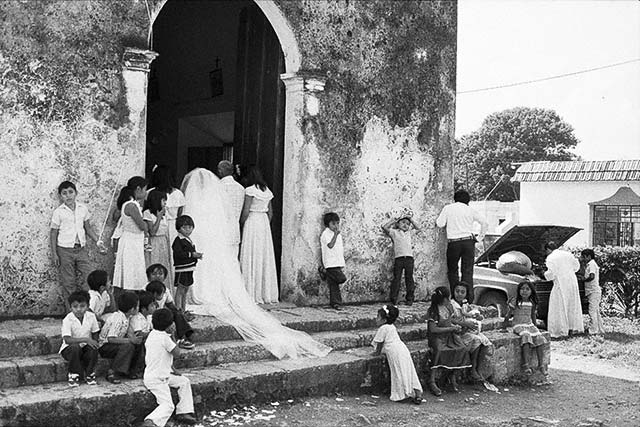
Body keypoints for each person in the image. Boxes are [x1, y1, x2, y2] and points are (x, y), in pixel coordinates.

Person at [180, 167, 331, 359]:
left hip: (242, 227)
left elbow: (242, 214)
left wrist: (245, 222)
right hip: (259, 226)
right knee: (258, 260)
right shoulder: (257, 190)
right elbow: (269, 213)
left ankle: (215, 290)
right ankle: (262, 292)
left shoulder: (208, 200)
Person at [50, 181, 106, 309]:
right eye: (64, 193)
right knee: (68, 282)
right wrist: (54, 254)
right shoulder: (59, 212)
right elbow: (53, 233)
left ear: (76, 193)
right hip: (64, 250)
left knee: (89, 277)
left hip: (80, 249)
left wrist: (98, 241)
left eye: (71, 192)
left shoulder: (82, 209)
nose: (68, 196)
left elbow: (88, 228)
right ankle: (71, 313)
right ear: (60, 196)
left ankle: (88, 309)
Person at [142, 308, 197, 427]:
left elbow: (163, 356)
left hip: (159, 373)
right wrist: (173, 335)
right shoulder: (165, 338)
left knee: (184, 381)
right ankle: (151, 421)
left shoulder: (152, 334)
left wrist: (173, 369)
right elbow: (177, 353)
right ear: (169, 325)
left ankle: (184, 411)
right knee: (168, 405)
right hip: (158, 379)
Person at [239, 166, 279, 304]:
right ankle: (265, 292)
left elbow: (245, 210)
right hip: (263, 222)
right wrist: (265, 225)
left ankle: (251, 291)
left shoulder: (249, 190)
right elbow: (271, 213)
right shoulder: (267, 190)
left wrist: (242, 223)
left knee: (251, 253)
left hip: (253, 220)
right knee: (263, 255)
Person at [436, 189, 487, 295]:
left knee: (453, 270)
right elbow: (484, 223)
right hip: (468, 241)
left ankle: (455, 296)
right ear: (467, 200)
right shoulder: (470, 210)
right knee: (467, 271)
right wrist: (479, 238)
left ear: (455, 198)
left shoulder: (448, 208)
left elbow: (440, 224)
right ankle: (468, 298)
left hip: (454, 242)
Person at [372, 304, 423, 404]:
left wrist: (376, 353)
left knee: (399, 372)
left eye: (378, 317)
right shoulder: (391, 327)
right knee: (409, 370)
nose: (376, 319)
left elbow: (380, 342)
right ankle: (417, 392)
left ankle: (402, 393)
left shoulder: (383, 328)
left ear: (384, 320)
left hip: (394, 352)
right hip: (402, 349)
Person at [426, 286, 472, 396]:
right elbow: (433, 329)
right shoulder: (433, 311)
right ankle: (432, 380)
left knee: (462, 348)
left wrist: (457, 327)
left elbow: (450, 320)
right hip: (437, 337)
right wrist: (451, 328)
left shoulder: (448, 307)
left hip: (449, 336)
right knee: (439, 351)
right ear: (443, 298)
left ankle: (452, 375)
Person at [501, 281, 549, 382]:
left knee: (539, 338)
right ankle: (526, 364)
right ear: (519, 291)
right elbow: (509, 314)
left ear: (531, 291)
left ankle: (541, 364)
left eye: (527, 289)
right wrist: (504, 326)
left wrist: (535, 327)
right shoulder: (515, 301)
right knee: (526, 336)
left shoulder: (532, 303)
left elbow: (532, 316)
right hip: (518, 325)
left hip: (529, 324)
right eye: (522, 289)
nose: (524, 291)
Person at [450, 281, 493, 382]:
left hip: (465, 330)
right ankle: (472, 369)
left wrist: (477, 316)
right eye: (457, 291)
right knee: (476, 339)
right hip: (456, 332)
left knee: (484, 341)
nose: (459, 294)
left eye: (462, 292)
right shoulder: (451, 305)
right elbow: (449, 319)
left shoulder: (465, 304)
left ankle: (478, 369)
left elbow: (469, 314)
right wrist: (465, 324)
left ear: (466, 293)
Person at [98, 291, 144, 384]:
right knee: (128, 345)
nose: (138, 308)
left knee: (138, 344)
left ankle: (132, 371)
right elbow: (111, 339)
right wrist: (130, 340)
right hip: (105, 346)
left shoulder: (127, 318)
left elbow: (129, 333)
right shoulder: (118, 318)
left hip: (115, 344)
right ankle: (112, 372)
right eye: (137, 306)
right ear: (132, 309)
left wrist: (135, 339)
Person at [113, 177, 148, 291]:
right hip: (131, 242)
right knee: (130, 274)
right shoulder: (131, 205)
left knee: (135, 272)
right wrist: (145, 225)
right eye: (144, 189)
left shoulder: (133, 204)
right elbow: (142, 225)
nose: (145, 192)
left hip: (134, 241)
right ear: (138, 189)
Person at [59, 291, 100, 387]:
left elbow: (95, 332)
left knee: (93, 348)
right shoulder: (68, 319)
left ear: (88, 306)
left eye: (82, 306)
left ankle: (90, 373)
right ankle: (73, 374)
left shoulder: (91, 316)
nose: (78, 309)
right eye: (75, 306)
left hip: (85, 347)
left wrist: (95, 343)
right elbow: (67, 340)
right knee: (75, 348)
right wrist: (86, 339)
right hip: (69, 349)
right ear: (70, 307)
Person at [544, 241, 584, 338]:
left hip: (560, 283)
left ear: (548, 249)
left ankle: (560, 331)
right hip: (571, 281)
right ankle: (572, 328)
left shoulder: (551, 257)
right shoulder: (568, 254)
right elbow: (576, 267)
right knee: (572, 305)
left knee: (559, 306)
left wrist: (544, 274)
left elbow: (551, 274)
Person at [382, 214, 421, 306]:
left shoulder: (409, 233)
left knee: (409, 279)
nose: (405, 225)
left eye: (407, 224)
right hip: (399, 259)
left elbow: (418, 228)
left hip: (409, 258)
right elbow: (385, 227)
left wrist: (411, 220)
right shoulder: (394, 232)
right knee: (397, 279)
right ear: (398, 224)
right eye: (403, 222)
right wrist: (393, 220)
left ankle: (410, 299)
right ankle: (393, 299)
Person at [146, 277, 195, 350]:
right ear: (155, 294)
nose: (163, 295)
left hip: (161, 314)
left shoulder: (164, 289)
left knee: (177, 314)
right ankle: (177, 341)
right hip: (153, 317)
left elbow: (171, 305)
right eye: (162, 293)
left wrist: (179, 312)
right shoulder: (147, 296)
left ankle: (186, 335)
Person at [143, 190, 173, 293]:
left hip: (163, 242)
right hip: (154, 242)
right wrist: (159, 217)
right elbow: (152, 232)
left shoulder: (165, 213)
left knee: (163, 267)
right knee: (153, 267)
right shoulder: (147, 213)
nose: (165, 202)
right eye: (163, 200)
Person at [149, 165, 186, 246]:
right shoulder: (178, 194)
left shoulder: (150, 193)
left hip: (157, 225)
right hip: (173, 226)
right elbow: (180, 213)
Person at [172, 215, 202, 313]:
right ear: (178, 228)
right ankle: (178, 310)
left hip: (189, 268)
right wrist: (191, 254)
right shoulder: (178, 240)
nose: (187, 230)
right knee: (180, 289)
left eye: (190, 227)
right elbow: (178, 254)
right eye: (184, 228)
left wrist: (196, 256)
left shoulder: (188, 239)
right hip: (182, 268)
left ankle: (183, 310)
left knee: (186, 290)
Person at [217, 160, 246, 257]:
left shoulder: (217, 187)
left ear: (220, 171)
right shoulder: (241, 188)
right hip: (234, 230)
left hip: (220, 229)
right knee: (233, 260)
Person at [319, 212, 347, 310]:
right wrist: (335, 235)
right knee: (341, 278)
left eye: (337, 223)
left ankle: (335, 303)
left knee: (333, 285)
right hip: (330, 262)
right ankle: (325, 272)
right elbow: (330, 245)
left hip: (337, 261)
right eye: (333, 224)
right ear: (327, 224)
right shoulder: (326, 234)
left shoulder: (338, 234)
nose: (336, 226)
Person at [580, 249, 604, 335]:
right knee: (596, 311)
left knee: (592, 311)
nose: (583, 258)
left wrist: (584, 280)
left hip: (593, 291)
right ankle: (600, 329)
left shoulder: (592, 264)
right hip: (592, 291)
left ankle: (593, 331)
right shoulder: (589, 264)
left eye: (584, 257)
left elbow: (592, 276)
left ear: (589, 256)